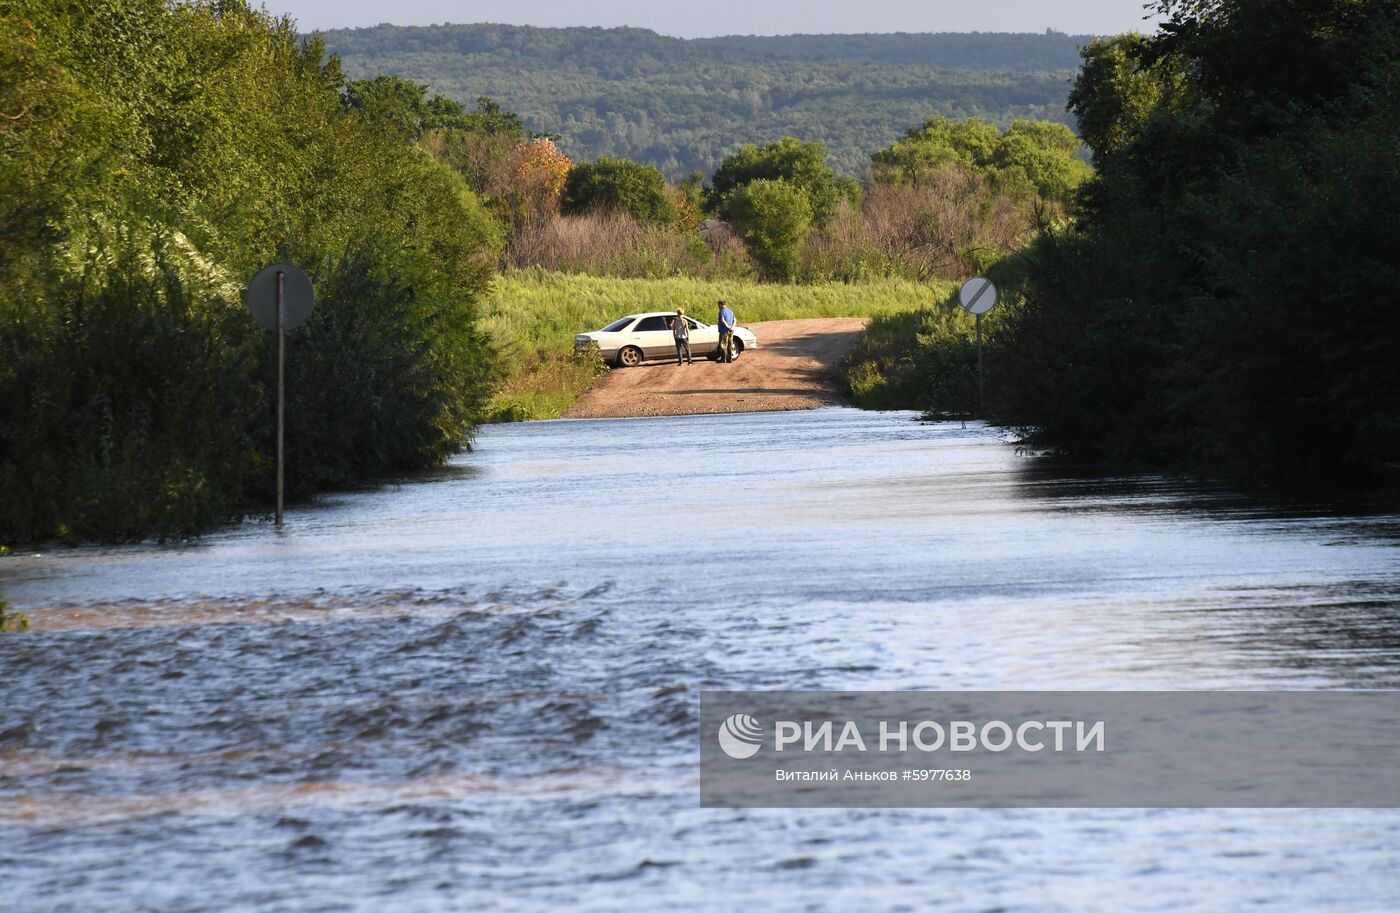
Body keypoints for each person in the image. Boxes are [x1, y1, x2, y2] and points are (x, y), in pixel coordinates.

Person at [716, 299, 737, 363]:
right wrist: (732, 327)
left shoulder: (721, 311)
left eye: (718, 305)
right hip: (731, 331)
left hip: (724, 331)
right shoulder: (730, 311)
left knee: (723, 345)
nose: (718, 306)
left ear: (720, 304)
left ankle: (723, 359)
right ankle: (730, 359)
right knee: (730, 345)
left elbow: (722, 320)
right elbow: (735, 320)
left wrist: (727, 326)